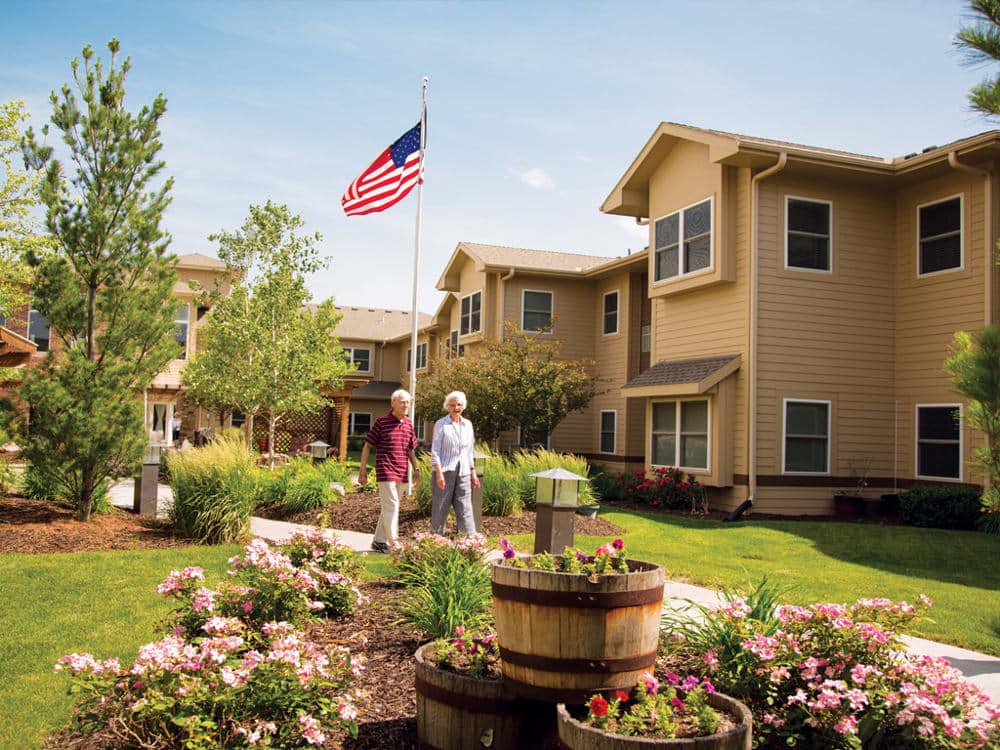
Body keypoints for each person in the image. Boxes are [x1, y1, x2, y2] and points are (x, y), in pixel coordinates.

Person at [358, 389, 420, 553]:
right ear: (393, 403)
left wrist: (416, 469)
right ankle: (394, 542)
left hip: (402, 471)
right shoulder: (382, 422)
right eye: (402, 402)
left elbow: (410, 450)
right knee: (392, 505)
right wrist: (362, 470)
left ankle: (379, 540)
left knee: (390, 506)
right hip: (385, 469)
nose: (405, 405)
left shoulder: (408, 423)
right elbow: (367, 446)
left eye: (408, 402)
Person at [429, 390, 480, 536]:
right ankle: (436, 540)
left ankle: (470, 540)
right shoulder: (441, 424)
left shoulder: (468, 425)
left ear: (463, 406)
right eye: (452, 405)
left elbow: (469, 451)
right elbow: (435, 451)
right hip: (444, 471)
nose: (456, 408)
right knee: (440, 508)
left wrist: (473, 473)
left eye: (459, 405)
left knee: (465, 507)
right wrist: (439, 474)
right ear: (447, 407)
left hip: (464, 471)